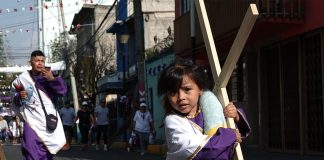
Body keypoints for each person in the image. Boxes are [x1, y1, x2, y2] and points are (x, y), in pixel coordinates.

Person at [157, 60, 251, 160]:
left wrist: (235, 116)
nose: (181, 97)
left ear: (200, 89)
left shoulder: (210, 108)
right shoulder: (173, 121)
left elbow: (236, 132)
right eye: (173, 92)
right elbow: (197, 150)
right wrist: (230, 135)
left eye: (187, 89)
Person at [11, 50, 67, 159]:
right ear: (30, 62)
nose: (40, 63)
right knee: (30, 147)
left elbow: (63, 91)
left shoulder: (50, 76)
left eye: (42, 61)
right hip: (31, 119)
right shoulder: (22, 79)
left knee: (47, 150)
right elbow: (14, 100)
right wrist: (20, 97)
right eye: (36, 61)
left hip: (48, 119)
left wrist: (52, 80)